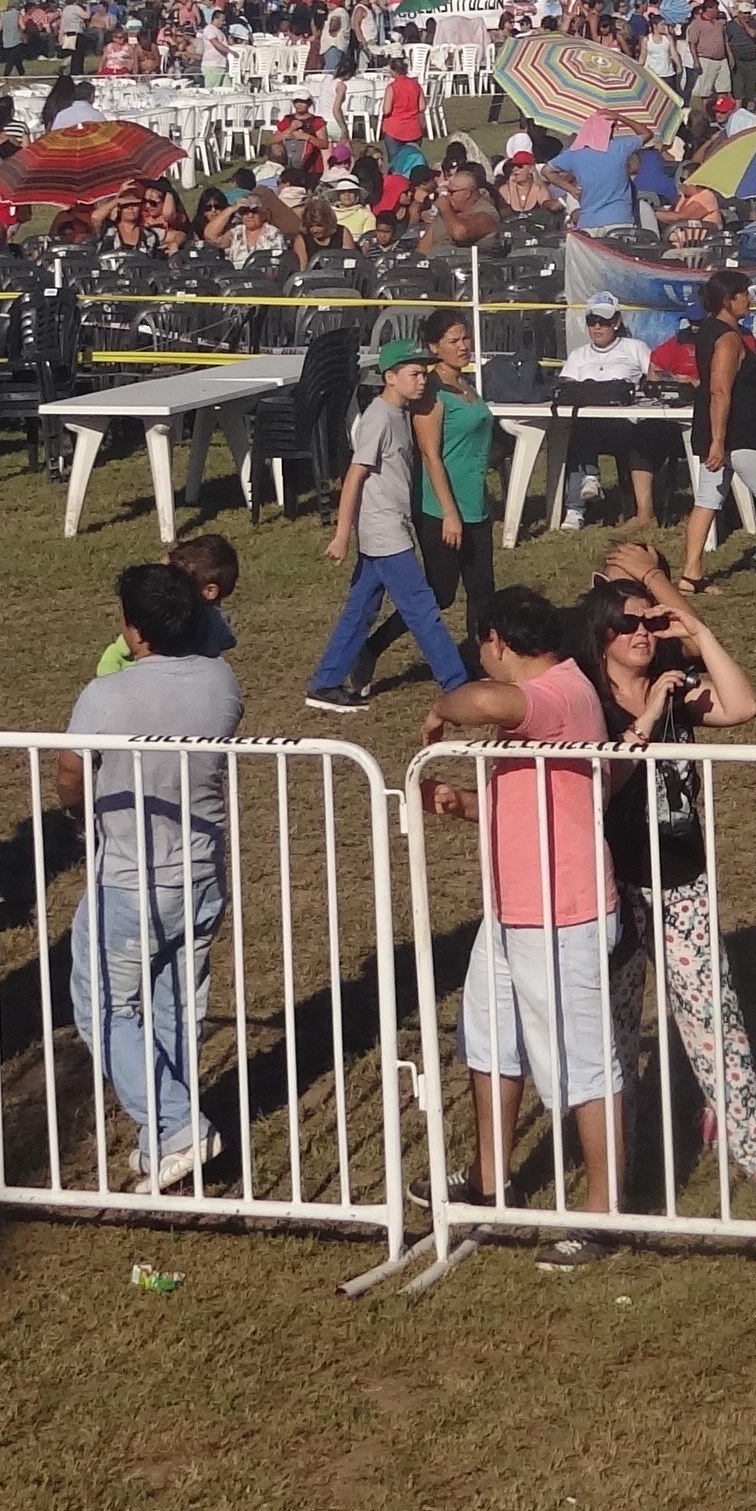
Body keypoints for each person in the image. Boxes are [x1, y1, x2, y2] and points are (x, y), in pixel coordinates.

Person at [420, 586, 625, 1266]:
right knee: (488, 1042)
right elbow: (541, 796)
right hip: (513, 910)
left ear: (496, 641)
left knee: (583, 1063)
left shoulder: (558, 692)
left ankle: (604, 1213)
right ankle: (489, 1181)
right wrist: (464, 804)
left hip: (563, 913)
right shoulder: (553, 700)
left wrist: (440, 707)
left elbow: (481, 703)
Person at [581, 545, 756, 1201]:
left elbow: (742, 706)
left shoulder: (674, 686)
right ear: (601, 634)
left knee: (715, 1017)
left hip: (682, 878)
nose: (642, 633)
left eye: (649, 623)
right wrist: (643, 718)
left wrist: (696, 631)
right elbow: (600, 776)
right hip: (615, 884)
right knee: (616, 1032)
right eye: (628, 624)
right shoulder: (589, 703)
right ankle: (619, 1174)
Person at [59, 561, 245, 1189]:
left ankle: (175, 1125)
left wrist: (78, 812)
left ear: (134, 631)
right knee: (176, 1005)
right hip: (201, 871)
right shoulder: (222, 683)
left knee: (104, 1007)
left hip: (131, 877)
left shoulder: (106, 694)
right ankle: (165, 1137)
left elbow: (68, 773)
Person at [304, 343, 472, 712]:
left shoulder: (400, 413)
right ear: (390, 378)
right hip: (384, 531)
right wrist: (342, 535)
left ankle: (325, 683)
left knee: (361, 609)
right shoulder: (378, 418)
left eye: (423, 373)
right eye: (414, 374)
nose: (422, 380)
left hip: (392, 525)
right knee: (422, 608)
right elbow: (354, 477)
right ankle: (457, 684)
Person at [680, 268, 756, 588]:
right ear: (729, 300)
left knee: (707, 499)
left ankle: (690, 573)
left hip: (719, 430)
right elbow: (720, 390)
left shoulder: (710, 331)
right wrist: (718, 440)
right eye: (744, 294)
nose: (749, 300)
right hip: (738, 432)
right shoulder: (727, 338)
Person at [407, 310, 500, 625]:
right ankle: (374, 645)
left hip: (476, 506)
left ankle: (480, 653)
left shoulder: (464, 383)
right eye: (454, 341)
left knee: (483, 593)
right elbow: (429, 455)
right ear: (435, 347)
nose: (463, 346)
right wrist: (449, 514)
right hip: (440, 509)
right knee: (440, 593)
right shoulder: (431, 393)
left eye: (466, 338)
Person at [551, 294, 662, 529]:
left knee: (585, 428)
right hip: (587, 424)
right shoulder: (578, 355)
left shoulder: (635, 348)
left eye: (604, 321)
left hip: (626, 426)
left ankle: (584, 490)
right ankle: (576, 507)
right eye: (592, 321)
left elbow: (655, 377)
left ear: (616, 322)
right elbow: (567, 389)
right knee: (578, 428)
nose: (598, 327)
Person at [545, 109, 650, 240]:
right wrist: (620, 117)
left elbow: (546, 171)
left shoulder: (575, 153)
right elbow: (646, 133)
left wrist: (571, 189)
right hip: (619, 220)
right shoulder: (620, 147)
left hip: (588, 223)